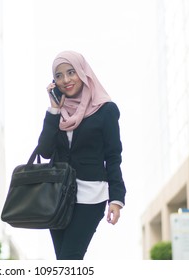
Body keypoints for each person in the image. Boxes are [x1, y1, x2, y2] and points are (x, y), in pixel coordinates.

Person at [37, 50, 126, 260]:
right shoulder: (56, 113)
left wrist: (116, 198)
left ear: (83, 73)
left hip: (91, 194)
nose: (66, 80)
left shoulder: (105, 110)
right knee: (64, 260)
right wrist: (53, 111)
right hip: (57, 196)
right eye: (59, 75)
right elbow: (45, 151)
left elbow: (113, 156)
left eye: (71, 72)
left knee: (71, 257)